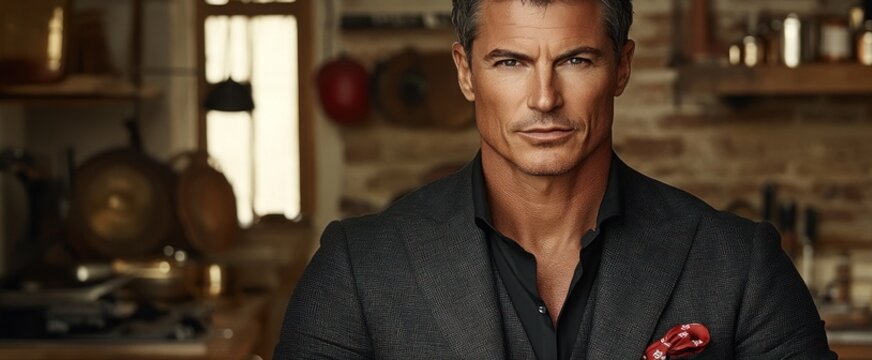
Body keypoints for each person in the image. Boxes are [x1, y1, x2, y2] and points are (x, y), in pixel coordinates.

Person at [275, 0, 835, 359]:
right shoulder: (358, 268)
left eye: (576, 60)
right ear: (465, 72)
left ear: (622, 68)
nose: (544, 99)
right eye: (510, 62)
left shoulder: (739, 265)